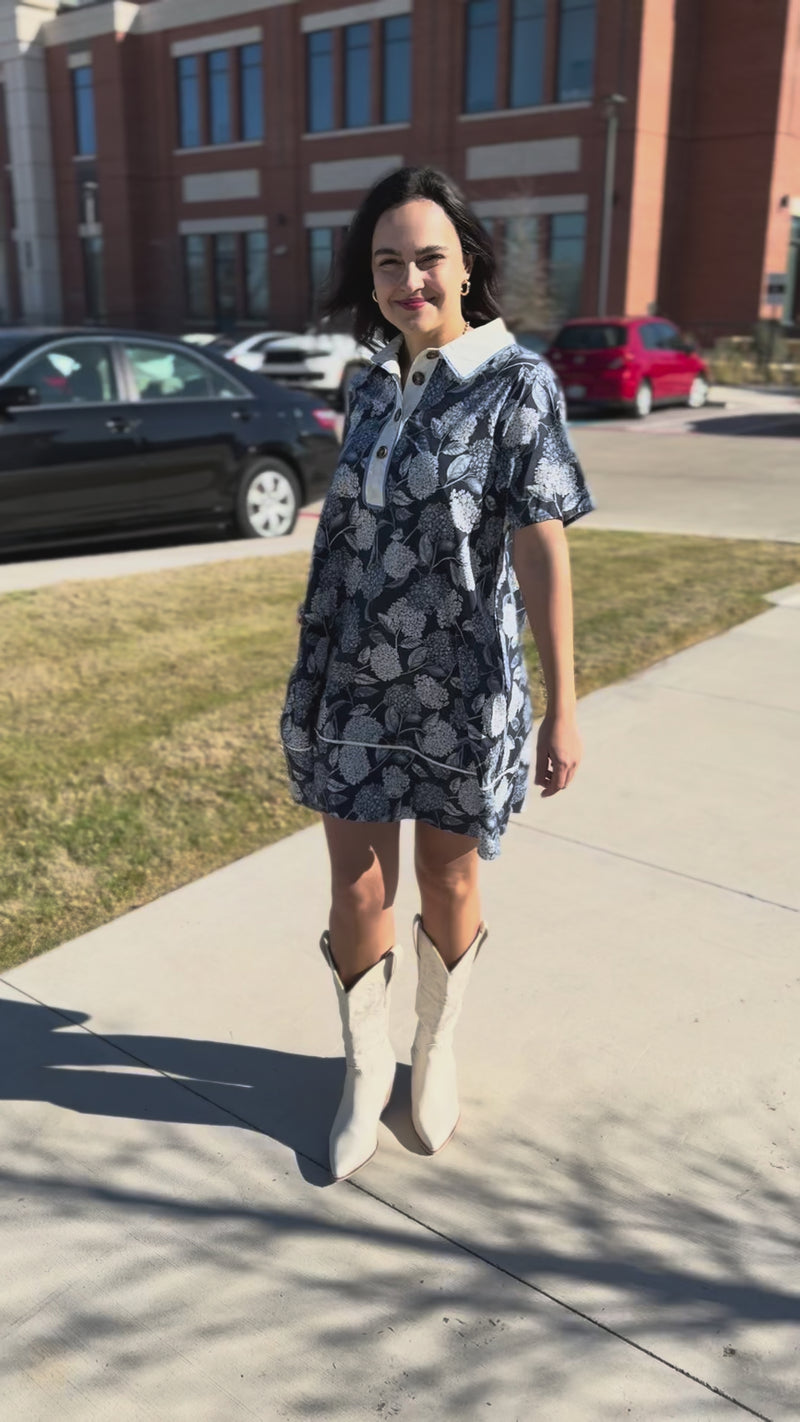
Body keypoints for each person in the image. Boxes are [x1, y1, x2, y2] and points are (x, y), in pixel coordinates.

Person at [280, 166, 596, 1181]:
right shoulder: (367, 380)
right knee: (354, 878)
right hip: (354, 675)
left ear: (466, 266)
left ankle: (436, 1045)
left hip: (462, 681)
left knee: (448, 873)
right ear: (367, 278)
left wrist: (563, 706)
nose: (408, 279)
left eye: (427, 258)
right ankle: (364, 1069)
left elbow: (542, 545)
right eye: (387, 262)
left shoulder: (518, 383)